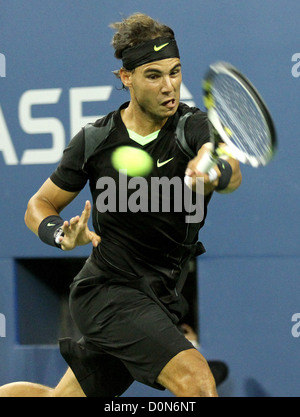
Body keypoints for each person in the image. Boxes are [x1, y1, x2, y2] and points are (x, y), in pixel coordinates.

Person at [0, 13, 241, 397]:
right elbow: (39, 204)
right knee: (197, 384)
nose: (169, 87)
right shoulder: (95, 140)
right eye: (154, 75)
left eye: (175, 72)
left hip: (161, 297)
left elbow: (228, 163)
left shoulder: (192, 127)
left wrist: (215, 172)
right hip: (108, 292)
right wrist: (61, 232)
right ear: (126, 77)